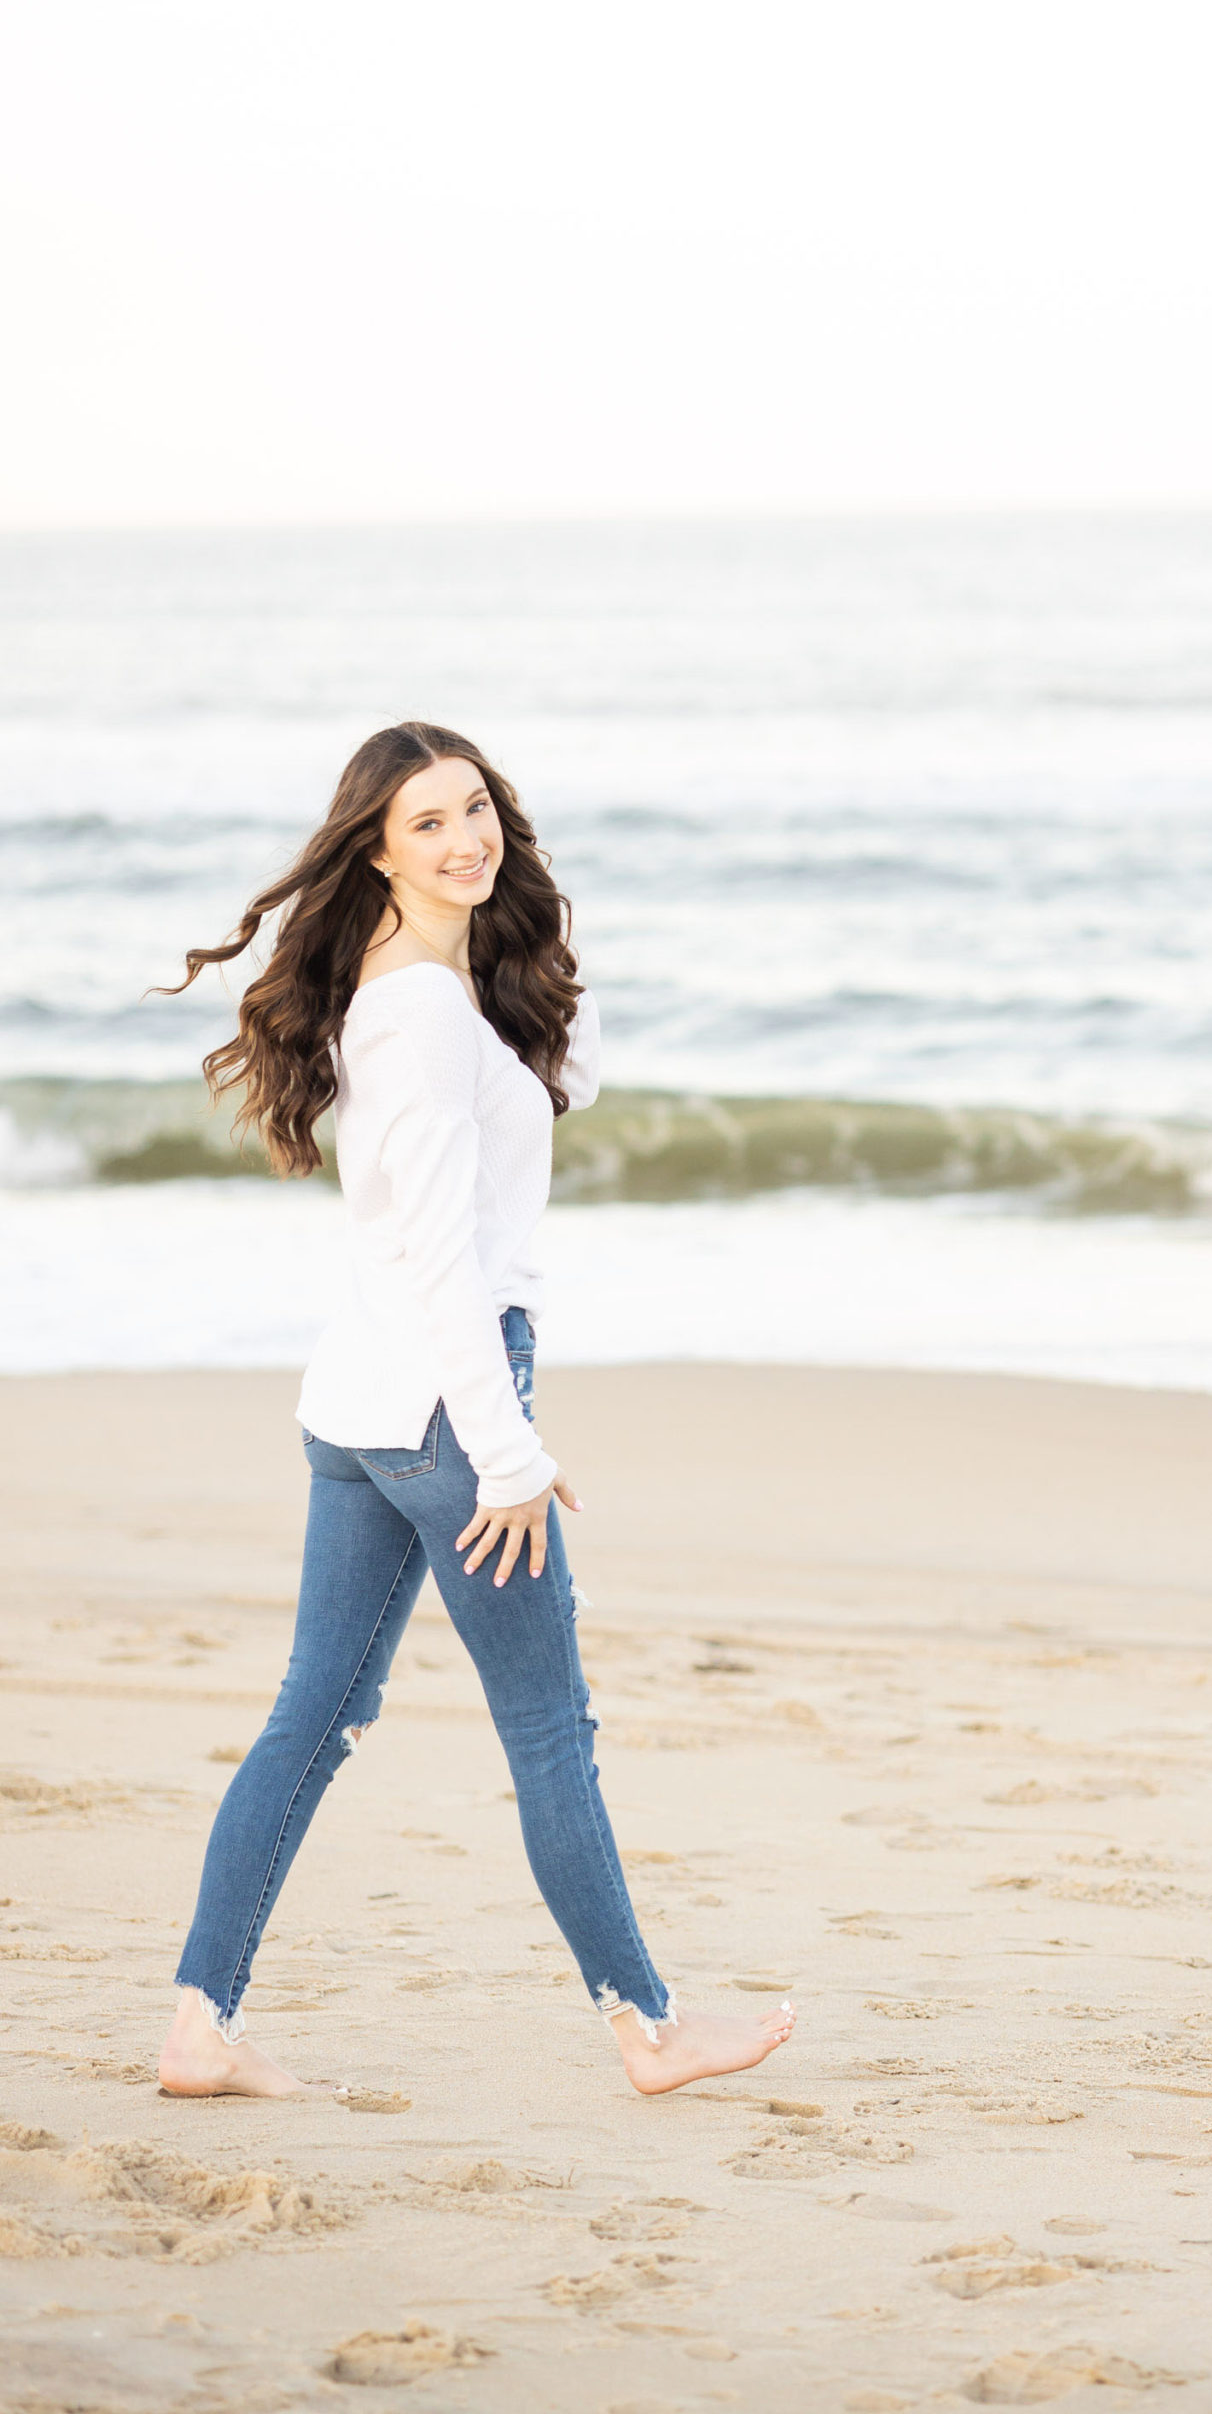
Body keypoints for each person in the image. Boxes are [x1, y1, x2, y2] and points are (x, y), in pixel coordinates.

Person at [153, 721, 795, 2099]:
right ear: (375, 849)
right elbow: (445, 1259)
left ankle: (199, 2025)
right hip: (447, 1409)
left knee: (314, 1715)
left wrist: (543, 920)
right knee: (550, 1730)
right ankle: (649, 2028)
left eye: (478, 810)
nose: (466, 839)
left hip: (360, 1410)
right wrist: (507, 1449)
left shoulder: (435, 990)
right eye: (429, 823)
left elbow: (574, 1080)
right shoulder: (423, 1016)